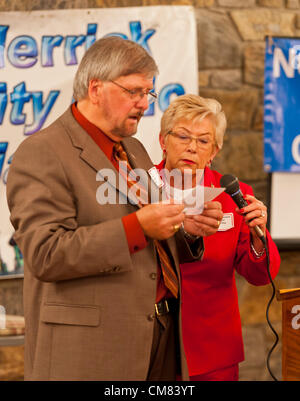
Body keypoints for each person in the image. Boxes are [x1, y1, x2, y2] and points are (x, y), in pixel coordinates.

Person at [6, 37, 216, 381]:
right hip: (92, 351)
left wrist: (185, 230)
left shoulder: (134, 150)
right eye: (133, 91)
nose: (144, 104)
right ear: (95, 88)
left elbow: (150, 242)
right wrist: (139, 227)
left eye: (148, 93)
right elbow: (45, 253)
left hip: (161, 336)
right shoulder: (42, 152)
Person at [157, 94, 281, 381]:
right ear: (163, 141)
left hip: (212, 346)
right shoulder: (136, 186)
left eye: (203, 141)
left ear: (215, 150)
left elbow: (260, 275)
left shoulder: (232, 196)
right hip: (151, 342)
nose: (191, 147)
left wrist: (258, 237)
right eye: (183, 136)